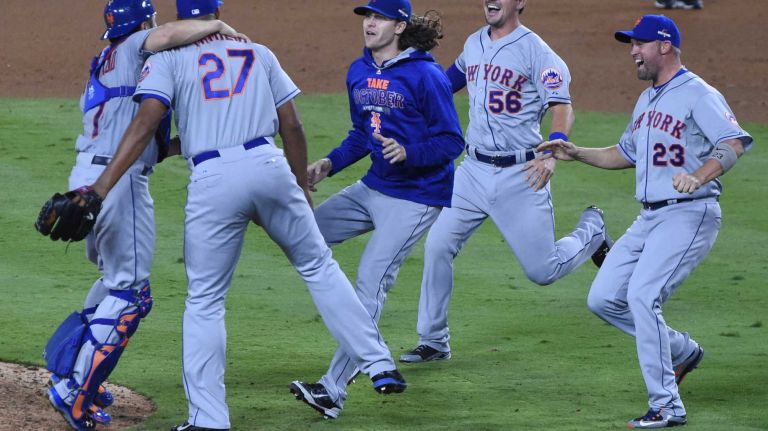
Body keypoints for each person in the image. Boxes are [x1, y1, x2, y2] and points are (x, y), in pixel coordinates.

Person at [88, 1, 408, 429]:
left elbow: (149, 120)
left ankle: (209, 419)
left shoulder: (167, 57)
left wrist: (107, 179)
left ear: (182, 17)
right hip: (269, 165)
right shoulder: (257, 50)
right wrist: (300, 188)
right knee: (318, 265)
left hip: (214, 179)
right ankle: (378, 362)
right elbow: (291, 126)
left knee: (205, 300)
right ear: (216, 10)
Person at [538, 14, 752, 429]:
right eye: (631, 44)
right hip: (649, 216)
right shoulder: (646, 100)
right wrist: (577, 152)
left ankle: (668, 407)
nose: (632, 52)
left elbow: (733, 143)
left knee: (642, 296)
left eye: (638, 44)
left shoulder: (698, 93)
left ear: (665, 46)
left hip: (690, 214)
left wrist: (699, 175)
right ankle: (683, 352)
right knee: (603, 298)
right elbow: (625, 153)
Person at [43, 2, 243, 430]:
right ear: (144, 22)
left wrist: (186, 143)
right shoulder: (138, 44)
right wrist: (219, 25)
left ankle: (73, 374)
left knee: (115, 282)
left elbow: (138, 136)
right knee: (132, 294)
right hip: (118, 181)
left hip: (89, 176)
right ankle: (76, 388)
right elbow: (169, 36)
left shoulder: (107, 60)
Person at [400, 0, 611, 364]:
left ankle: (593, 230)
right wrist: (407, 82)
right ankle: (433, 340)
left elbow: (562, 107)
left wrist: (551, 152)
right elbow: (446, 84)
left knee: (543, 270)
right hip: (473, 171)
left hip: (521, 173)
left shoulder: (538, 53)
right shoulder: (474, 43)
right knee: (437, 245)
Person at [288, 0, 465, 419]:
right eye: (366, 16)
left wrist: (410, 152)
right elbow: (361, 133)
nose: (369, 23)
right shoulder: (359, 70)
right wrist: (330, 164)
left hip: (417, 197)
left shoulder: (426, 75)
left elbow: (452, 141)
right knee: (303, 234)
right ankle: (351, 340)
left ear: (399, 26)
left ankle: (333, 390)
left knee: (371, 281)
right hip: (373, 188)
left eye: (379, 17)